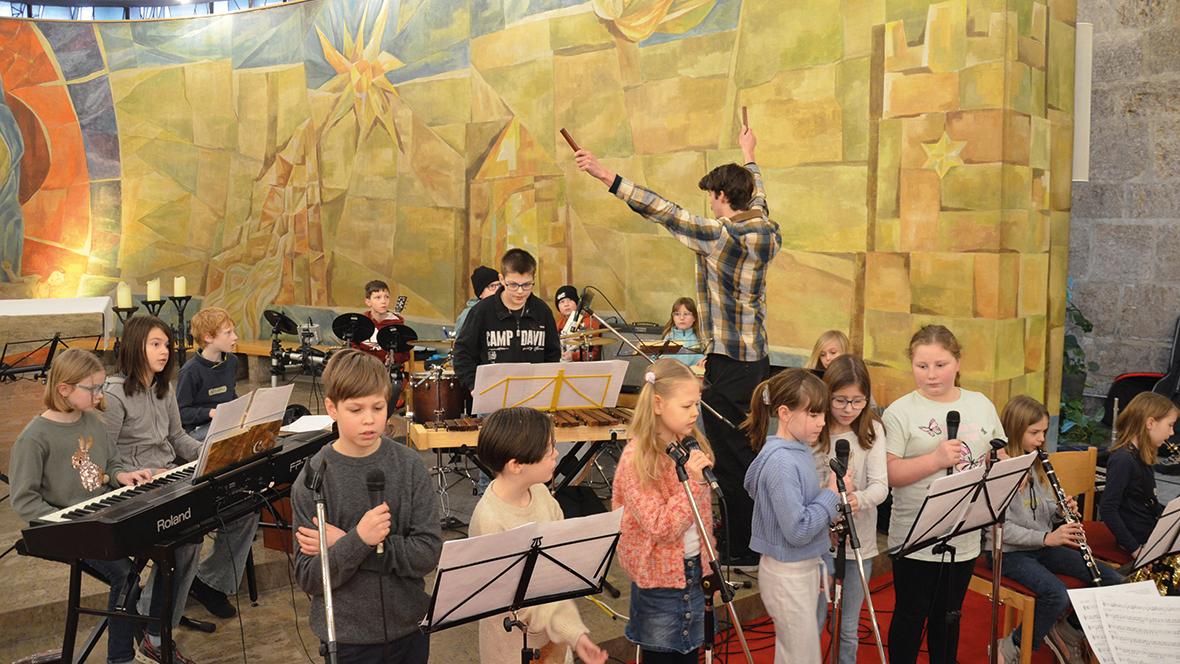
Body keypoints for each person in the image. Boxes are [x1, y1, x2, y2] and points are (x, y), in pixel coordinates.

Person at [576, 124, 779, 567]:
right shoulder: (766, 229)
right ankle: (751, 537)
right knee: (748, 448)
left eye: (713, 196)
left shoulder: (720, 236)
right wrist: (750, 154)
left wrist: (605, 175)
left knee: (729, 457)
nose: (710, 203)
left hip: (728, 361)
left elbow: (664, 211)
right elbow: (758, 195)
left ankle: (741, 548)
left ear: (724, 197)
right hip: (757, 359)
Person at [292, 349, 442, 664]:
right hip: (347, 638)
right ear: (332, 408)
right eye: (355, 409)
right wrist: (359, 539)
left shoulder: (410, 466)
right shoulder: (313, 479)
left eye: (378, 407)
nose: (369, 419)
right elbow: (308, 577)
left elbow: (427, 553)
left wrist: (344, 543)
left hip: (408, 626)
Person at [9, 348, 155, 664]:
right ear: (64, 389)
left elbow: (111, 462)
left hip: (102, 515)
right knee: (125, 575)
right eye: (93, 388)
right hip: (70, 529)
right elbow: (25, 500)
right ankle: (121, 658)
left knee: (155, 552)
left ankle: (148, 633)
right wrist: (65, 521)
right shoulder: (33, 438)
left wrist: (123, 475)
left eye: (101, 387)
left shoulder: (93, 421)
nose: (100, 395)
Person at [883, 324, 1006, 664]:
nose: (931, 375)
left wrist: (1006, 470)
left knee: (949, 616)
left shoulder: (980, 404)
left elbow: (999, 453)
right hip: (915, 535)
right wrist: (935, 460)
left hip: (965, 535)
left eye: (940, 365)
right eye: (922, 366)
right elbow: (890, 473)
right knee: (910, 615)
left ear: (958, 362)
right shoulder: (899, 411)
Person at [101, 315, 214, 661]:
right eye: (155, 344)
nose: (164, 351)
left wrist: (212, 451)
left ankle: (157, 624)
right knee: (179, 543)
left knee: (193, 537)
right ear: (136, 346)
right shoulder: (115, 393)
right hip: (136, 487)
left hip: (167, 476)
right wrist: (130, 474)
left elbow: (178, 438)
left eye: (166, 344)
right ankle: (155, 629)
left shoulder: (164, 388)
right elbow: (104, 456)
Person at [988, 395, 1121, 664]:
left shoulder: (1036, 462)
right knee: (1056, 595)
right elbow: (997, 531)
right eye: (1034, 432)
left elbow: (1042, 507)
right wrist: (1047, 538)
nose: (1041, 439)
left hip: (1041, 547)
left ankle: (1068, 631)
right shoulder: (998, 469)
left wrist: (1060, 510)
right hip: (1010, 554)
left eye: (1044, 432)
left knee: (1111, 580)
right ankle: (1011, 645)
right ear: (1014, 430)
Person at [469, 407, 607, 664]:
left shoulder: (542, 494)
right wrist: (573, 634)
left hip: (554, 640)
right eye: (548, 450)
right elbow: (521, 601)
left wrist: (573, 635)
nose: (556, 454)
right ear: (516, 465)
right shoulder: (489, 520)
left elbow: (556, 575)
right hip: (511, 648)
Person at [612, 359, 715, 663]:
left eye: (697, 404)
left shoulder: (689, 445)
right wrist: (694, 485)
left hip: (695, 571)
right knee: (663, 656)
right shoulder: (636, 460)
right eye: (686, 406)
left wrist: (709, 565)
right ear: (658, 404)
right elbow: (661, 526)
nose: (695, 412)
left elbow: (703, 520)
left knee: (689, 654)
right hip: (658, 583)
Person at [742, 368, 841, 663]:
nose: (822, 423)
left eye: (823, 414)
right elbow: (797, 529)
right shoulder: (783, 462)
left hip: (800, 568)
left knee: (795, 654)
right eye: (812, 415)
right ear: (784, 413)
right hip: (788, 574)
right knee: (801, 657)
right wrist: (831, 495)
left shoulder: (796, 449)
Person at [812, 354, 888, 664]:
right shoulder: (814, 430)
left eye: (857, 402)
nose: (848, 409)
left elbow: (881, 486)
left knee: (847, 628)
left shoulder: (872, 432)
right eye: (840, 400)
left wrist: (859, 499)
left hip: (860, 543)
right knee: (813, 622)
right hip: (816, 542)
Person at [452, 248, 561, 392]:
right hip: (491, 395)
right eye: (513, 284)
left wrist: (543, 384)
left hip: (533, 395)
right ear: (502, 279)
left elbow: (552, 353)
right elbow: (462, 353)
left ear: (533, 279)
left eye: (527, 284)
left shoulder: (542, 311)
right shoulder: (481, 311)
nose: (520, 291)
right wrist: (474, 386)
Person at [1100, 391, 1176, 556]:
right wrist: (1136, 550)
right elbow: (1107, 509)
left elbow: (1149, 502)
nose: (1172, 433)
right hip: (1139, 540)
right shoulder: (1123, 460)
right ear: (1150, 423)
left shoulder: (1140, 455)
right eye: (1170, 425)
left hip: (1148, 531)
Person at [176, 306, 239, 440]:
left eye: (234, 331)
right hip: (198, 430)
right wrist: (210, 413)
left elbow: (230, 395)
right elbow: (181, 412)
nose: (235, 337)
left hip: (223, 422)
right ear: (208, 337)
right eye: (228, 333)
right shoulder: (190, 371)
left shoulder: (232, 361)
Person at [353, 279, 410, 368]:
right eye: (378, 297)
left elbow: (405, 353)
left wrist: (394, 358)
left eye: (386, 297)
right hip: (364, 370)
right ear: (368, 302)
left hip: (387, 372)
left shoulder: (397, 322)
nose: (384, 301)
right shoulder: (361, 321)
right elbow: (353, 348)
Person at [555, 284, 601, 361]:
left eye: (569, 300)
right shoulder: (559, 324)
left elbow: (593, 354)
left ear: (577, 303)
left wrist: (573, 356)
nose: (566, 304)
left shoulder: (589, 322)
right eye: (562, 302)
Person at [454, 265, 500, 338]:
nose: (498, 290)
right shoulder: (469, 315)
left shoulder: (505, 310)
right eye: (492, 286)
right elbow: (461, 345)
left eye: (499, 285)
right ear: (480, 293)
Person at [660, 297, 705, 367]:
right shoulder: (668, 336)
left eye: (686, 314)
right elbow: (659, 359)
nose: (681, 318)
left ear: (694, 317)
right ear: (673, 317)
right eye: (677, 314)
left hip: (695, 375)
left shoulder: (701, 336)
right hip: (671, 374)